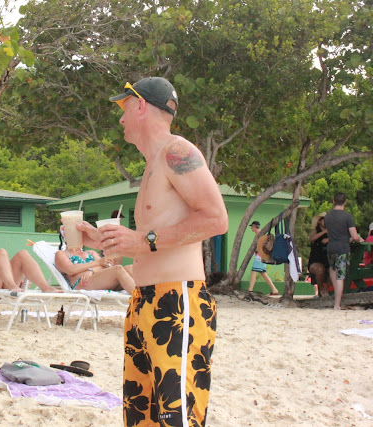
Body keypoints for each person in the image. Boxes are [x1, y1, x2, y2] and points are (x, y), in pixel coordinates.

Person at [77, 77, 228, 426]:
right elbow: (152, 240)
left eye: (124, 107)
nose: (121, 118)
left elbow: (216, 219)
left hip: (177, 302)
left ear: (141, 105)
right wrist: (102, 241)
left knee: (177, 418)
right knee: (140, 418)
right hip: (143, 301)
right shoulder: (153, 164)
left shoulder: (178, 152)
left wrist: (141, 241)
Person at [55, 231, 136, 293]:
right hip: (82, 283)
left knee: (130, 268)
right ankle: (140, 299)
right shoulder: (62, 254)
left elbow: (106, 265)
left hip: (100, 280)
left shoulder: (90, 252)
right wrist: (97, 263)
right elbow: (71, 269)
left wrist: (92, 270)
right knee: (118, 269)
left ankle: (142, 296)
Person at [324, 192, 364, 310]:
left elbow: (331, 233)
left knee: (332, 270)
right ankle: (337, 304)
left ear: (333, 201)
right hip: (342, 248)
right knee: (340, 276)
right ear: (345, 202)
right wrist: (357, 239)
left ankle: (335, 298)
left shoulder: (327, 216)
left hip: (331, 247)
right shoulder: (347, 216)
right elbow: (354, 236)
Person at [246, 221, 279, 296]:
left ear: (254, 226)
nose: (251, 228)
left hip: (259, 256)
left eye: (252, 227)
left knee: (253, 271)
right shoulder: (260, 234)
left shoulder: (259, 235)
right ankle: (274, 289)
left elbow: (260, 247)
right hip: (260, 255)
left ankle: (250, 290)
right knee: (263, 273)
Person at [308, 213, 331, 297]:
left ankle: (326, 289)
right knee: (320, 269)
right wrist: (323, 232)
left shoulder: (331, 231)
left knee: (335, 269)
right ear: (319, 221)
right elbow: (312, 238)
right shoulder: (315, 231)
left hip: (328, 259)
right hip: (316, 259)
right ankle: (321, 290)